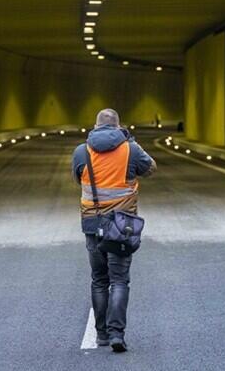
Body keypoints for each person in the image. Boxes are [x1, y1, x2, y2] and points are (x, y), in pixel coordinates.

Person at [72, 108, 156, 353]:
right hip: (121, 225)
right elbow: (151, 168)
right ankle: (117, 334)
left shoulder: (81, 151)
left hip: (92, 223)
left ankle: (102, 335)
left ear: (95, 126)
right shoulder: (130, 149)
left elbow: (78, 178)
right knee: (119, 280)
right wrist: (131, 141)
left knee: (99, 279)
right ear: (119, 127)